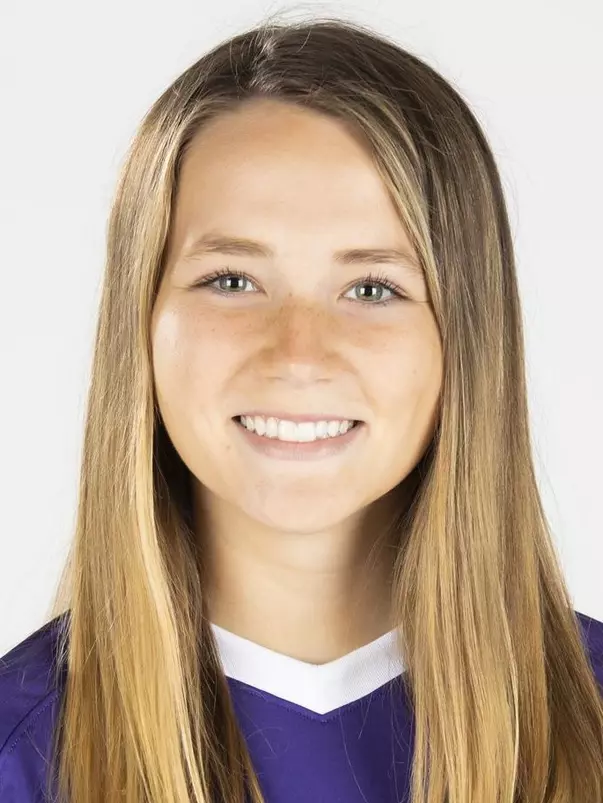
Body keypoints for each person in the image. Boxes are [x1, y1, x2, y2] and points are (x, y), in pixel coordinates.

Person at [1, 14, 602, 803]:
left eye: (372, 288)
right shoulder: (21, 753)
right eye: (230, 279)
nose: (297, 353)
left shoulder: (587, 717)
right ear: (140, 323)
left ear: (467, 339)